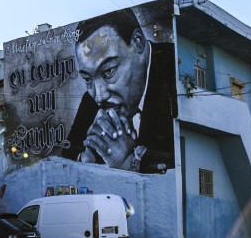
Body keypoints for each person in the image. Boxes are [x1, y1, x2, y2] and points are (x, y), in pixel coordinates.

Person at [61, 10, 175, 173]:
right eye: (88, 79)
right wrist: (85, 161)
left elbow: (190, 162)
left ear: (138, 43)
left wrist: (131, 160)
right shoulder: (91, 101)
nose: (99, 96)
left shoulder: (175, 70)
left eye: (109, 71)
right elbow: (68, 158)